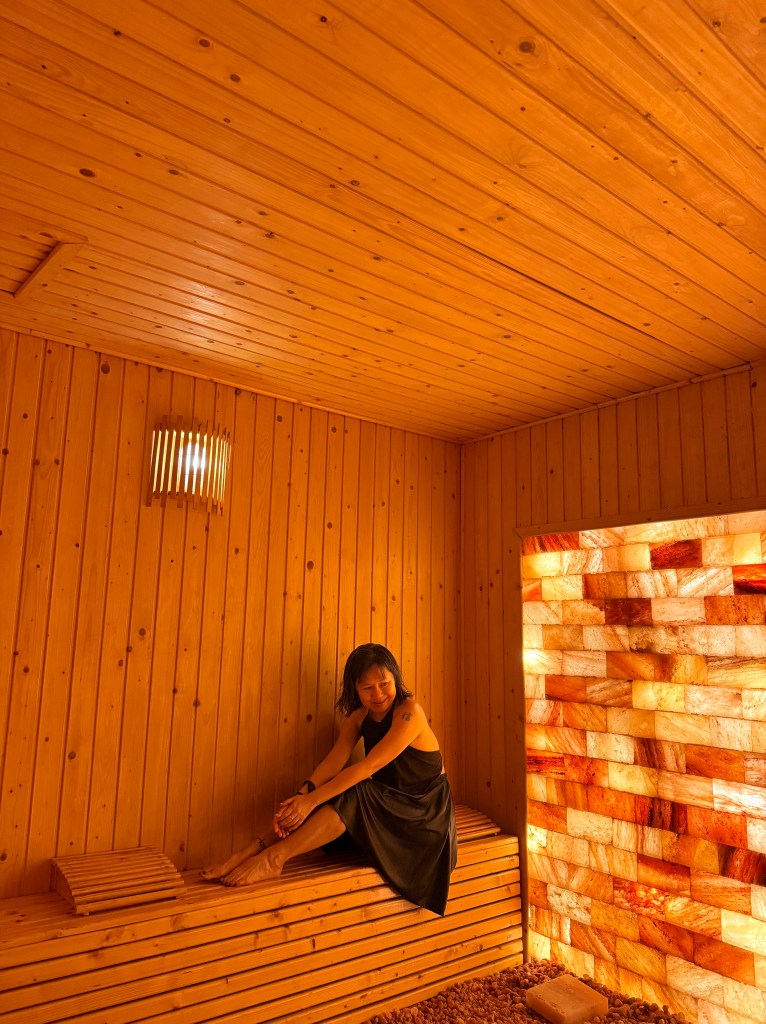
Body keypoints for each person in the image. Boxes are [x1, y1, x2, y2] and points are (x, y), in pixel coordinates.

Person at [201, 643, 457, 915]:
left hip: (425, 816)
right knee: (327, 791)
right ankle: (249, 850)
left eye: (384, 683)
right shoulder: (359, 718)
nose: (378, 694)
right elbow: (334, 762)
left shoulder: (409, 713)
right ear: (354, 689)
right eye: (367, 688)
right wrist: (302, 796)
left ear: (396, 678)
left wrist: (311, 801)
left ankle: (275, 858)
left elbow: (369, 767)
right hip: (390, 807)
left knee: (354, 789)